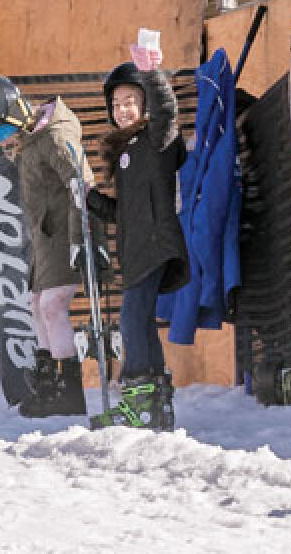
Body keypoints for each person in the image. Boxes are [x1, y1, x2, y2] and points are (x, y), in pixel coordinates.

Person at [0, 74, 105, 419]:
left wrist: (83, 240)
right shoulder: (30, 138)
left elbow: (82, 184)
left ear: (13, 113)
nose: (5, 141)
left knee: (53, 305)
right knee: (37, 304)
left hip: (65, 235)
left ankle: (69, 391)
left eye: (2, 133)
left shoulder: (55, 136)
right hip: (45, 237)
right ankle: (48, 382)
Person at [84, 46, 189, 431]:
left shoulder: (156, 140)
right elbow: (124, 214)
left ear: (144, 103)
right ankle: (156, 403)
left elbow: (167, 110)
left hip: (155, 245)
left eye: (130, 101)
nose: (122, 110)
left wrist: (152, 74)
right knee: (140, 322)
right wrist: (90, 199)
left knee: (130, 319)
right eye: (116, 104)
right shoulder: (127, 151)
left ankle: (138, 401)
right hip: (137, 249)